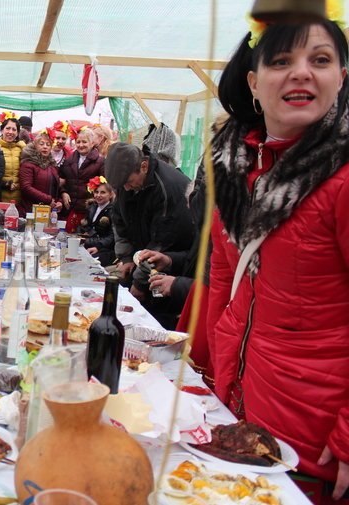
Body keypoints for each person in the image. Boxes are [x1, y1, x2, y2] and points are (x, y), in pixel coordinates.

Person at [207, 15, 349, 502]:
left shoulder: (343, 179)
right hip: (241, 411)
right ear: (254, 82)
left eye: (320, 60)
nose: (301, 72)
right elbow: (223, 279)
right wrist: (210, 378)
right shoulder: (236, 171)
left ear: (341, 78)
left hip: (316, 440)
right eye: (282, 61)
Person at [104, 142, 194, 306]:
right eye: (122, 185)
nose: (126, 188)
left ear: (144, 167)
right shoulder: (126, 182)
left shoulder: (167, 189)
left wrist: (139, 283)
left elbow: (161, 242)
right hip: (146, 257)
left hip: (174, 266)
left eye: (129, 182)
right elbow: (119, 220)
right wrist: (126, 258)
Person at [59, 127, 105, 232]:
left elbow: (104, 185)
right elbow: (61, 181)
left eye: (84, 142)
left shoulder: (100, 162)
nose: (81, 145)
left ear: (92, 143)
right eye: (78, 142)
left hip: (89, 209)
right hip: (71, 208)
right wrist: (63, 192)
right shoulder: (68, 160)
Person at [18, 130, 62, 214]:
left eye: (48, 145)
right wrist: (48, 199)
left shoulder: (52, 165)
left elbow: (56, 186)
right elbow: (26, 187)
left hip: (48, 210)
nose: (45, 147)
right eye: (41, 144)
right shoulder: (28, 163)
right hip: (30, 210)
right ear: (35, 146)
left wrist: (59, 201)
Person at [80, 176, 115, 266]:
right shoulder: (92, 207)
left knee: (88, 261)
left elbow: (112, 237)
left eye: (103, 192)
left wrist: (98, 247)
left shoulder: (113, 212)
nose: (98, 195)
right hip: (90, 243)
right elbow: (85, 226)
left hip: (106, 249)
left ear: (110, 194)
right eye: (96, 192)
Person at [0, 112, 27, 206]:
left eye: (14, 129)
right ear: (1, 130)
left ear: (17, 133)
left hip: (18, 199)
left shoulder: (23, 149)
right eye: (8, 128)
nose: (11, 132)